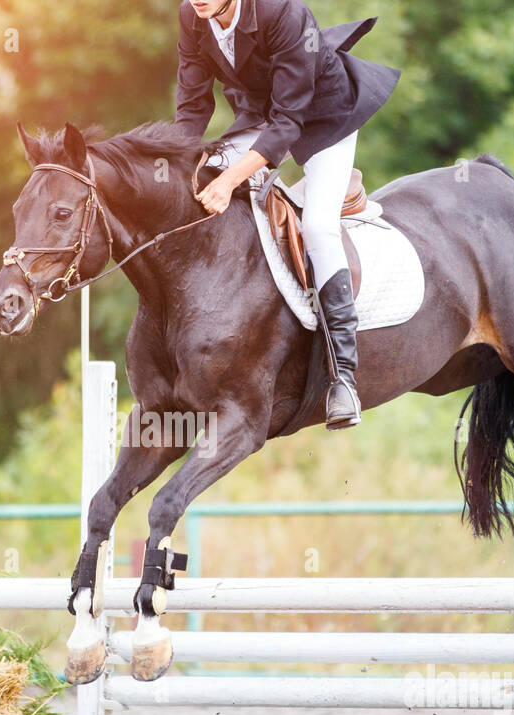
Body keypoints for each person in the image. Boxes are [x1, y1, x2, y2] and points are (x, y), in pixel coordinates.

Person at [174, 0, 400, 428]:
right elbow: (191, 110)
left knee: (317, 227)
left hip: (322, 116)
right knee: (203, 182)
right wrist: (175, 165)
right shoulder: (192, 16)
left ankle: (343, 379)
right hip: (260, 117)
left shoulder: (282, 13)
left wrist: (226, 182)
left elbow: (290, 120)